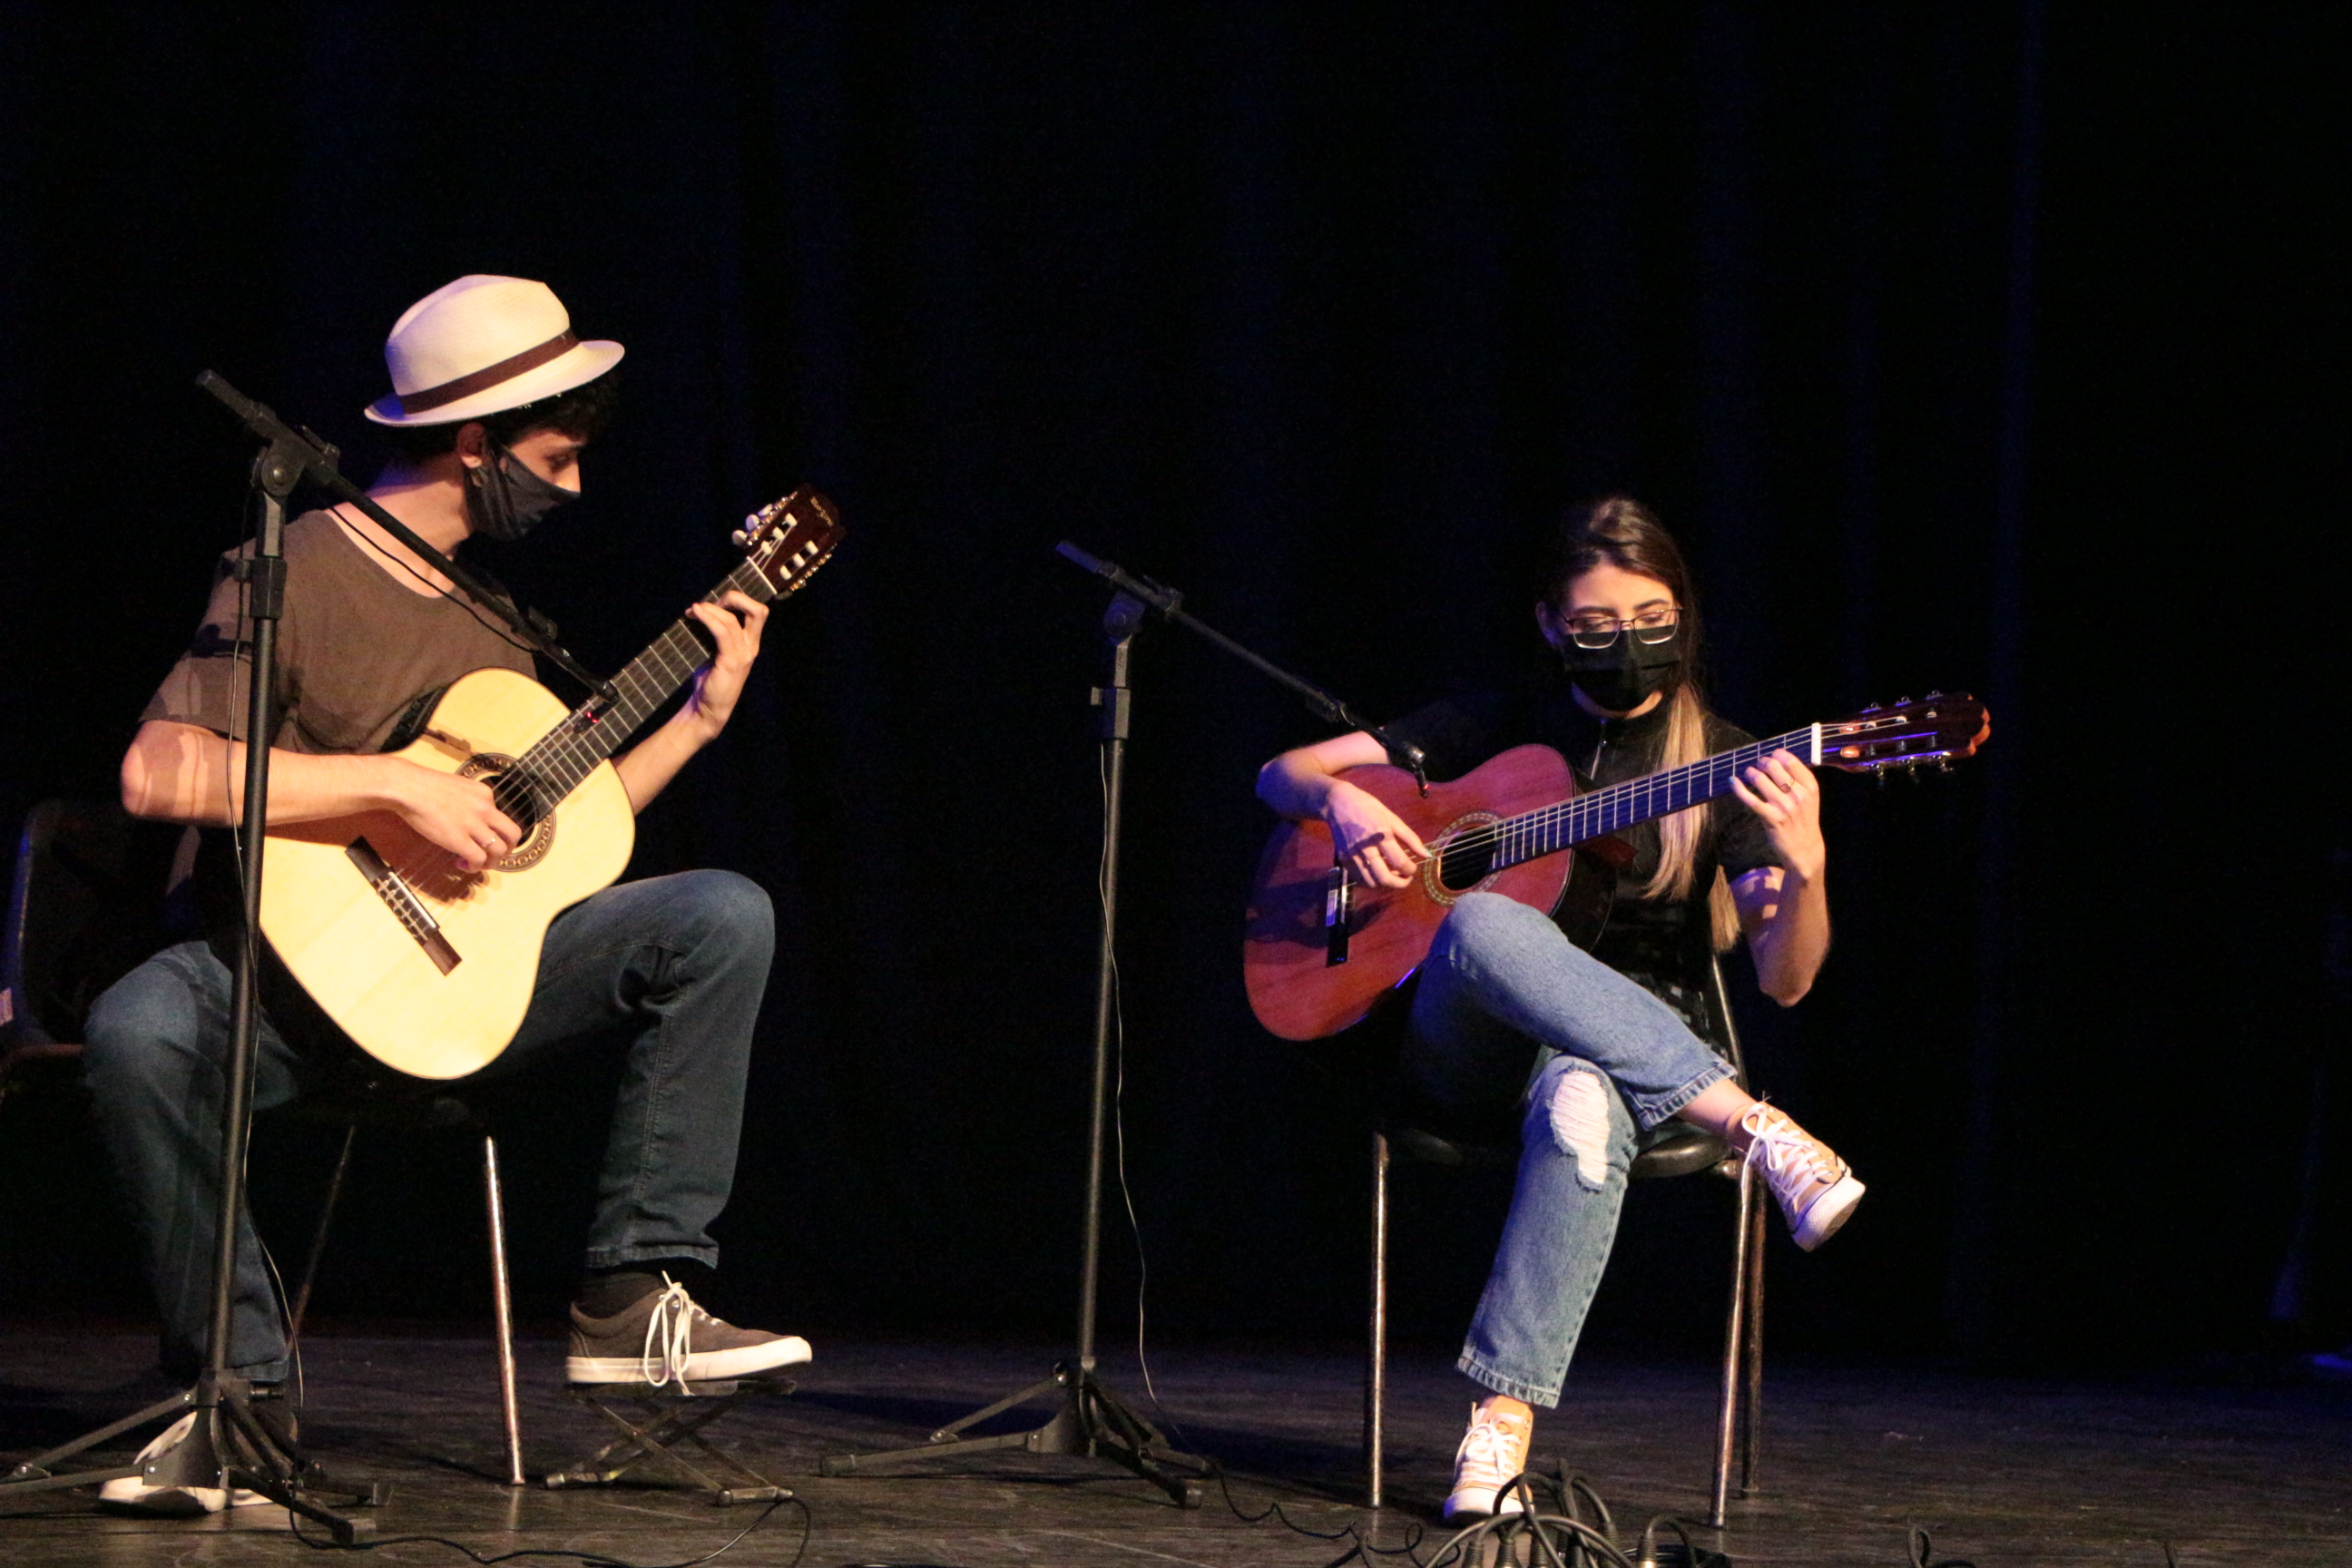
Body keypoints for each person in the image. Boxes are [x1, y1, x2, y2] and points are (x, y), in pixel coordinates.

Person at [83, 275, 807, 1513]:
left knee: (720, 914)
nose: (571, 488)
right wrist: (390, 791)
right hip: (281, 982)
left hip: (458, 988)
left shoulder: (497, 625)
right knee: (136, 1031)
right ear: (474, 443)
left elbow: (558, 840)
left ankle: (633, 1299)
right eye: (554, 457)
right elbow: (159, 774)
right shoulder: (297, 564)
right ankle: (241, 1395)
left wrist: (695, 721)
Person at [1256, 496, 1860, 1521]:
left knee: (1584, 1095)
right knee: (1485, 926)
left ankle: (1499, 1432)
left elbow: (1787, 979)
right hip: (1467, 1052)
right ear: (1550, 626)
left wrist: (1805, 866)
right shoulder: (1500, 724)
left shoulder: (1728, 760)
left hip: (1624, 1073)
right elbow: (1283, 773)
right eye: (1595, 626)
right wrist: (1342, 799)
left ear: (1686, 616)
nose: (1626, 644)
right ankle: (1759, 1128)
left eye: (1651, 619)